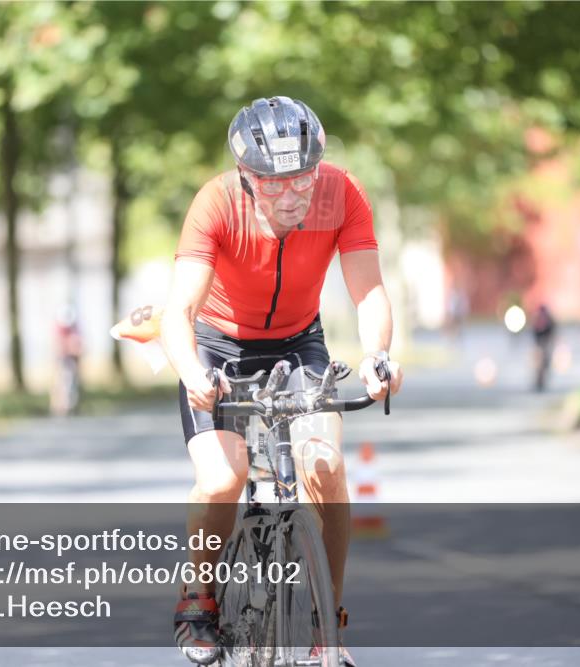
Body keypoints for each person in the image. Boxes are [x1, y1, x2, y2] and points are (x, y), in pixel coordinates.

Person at [161, 96, 403, 665]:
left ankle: (328, 620)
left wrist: (378, 355)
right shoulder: (217, 203)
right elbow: (179, 311)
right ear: (246, 175)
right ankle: (198, 598)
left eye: (302, 180)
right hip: (218, 344)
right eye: (274, 185)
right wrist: (193, 372)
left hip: (299, 341)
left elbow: (368, 290)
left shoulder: (340, 194)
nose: (292, 197)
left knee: (325, 464)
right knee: (223, 477)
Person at [50, 304, 83, 416]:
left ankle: (71, 405)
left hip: (72, 357)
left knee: (71, 381)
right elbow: (57, 345)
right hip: (62, 357)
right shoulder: (58, 328)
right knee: (61, 381)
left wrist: (75, 351)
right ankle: (60, 407)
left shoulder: (74, 327)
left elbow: (77, 343)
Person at [530, 303, 556, 391]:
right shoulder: (536, 320)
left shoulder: (549, 321)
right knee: (538, 363)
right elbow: (534, 333)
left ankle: (541, 380)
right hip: (539, 344)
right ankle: (538, 381)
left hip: (546, 343)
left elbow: (552, 333)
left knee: (545, 363)